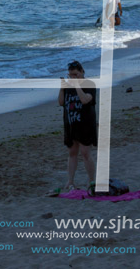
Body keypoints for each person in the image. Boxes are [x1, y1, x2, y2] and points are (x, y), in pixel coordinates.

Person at [58, 61, 96, 191]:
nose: (73, 77)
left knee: (86, 153)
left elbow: (85, 100)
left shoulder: (89, 84)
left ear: (82, 72)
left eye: (75, 74)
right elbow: (61, 102)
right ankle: (70, 181)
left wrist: (76, 86)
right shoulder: (68, 86)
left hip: (85, 124)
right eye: (70, 75)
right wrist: (62, 88)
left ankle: (91, 181)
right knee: (72, 153)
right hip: (71, 124)